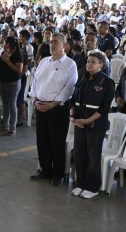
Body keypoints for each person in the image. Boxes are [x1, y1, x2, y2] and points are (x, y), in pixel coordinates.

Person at [29, 33, 78, 186]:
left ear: (64, 45)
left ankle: (57, 174)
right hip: (41, 105)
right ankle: (45, 170)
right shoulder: (44, 61)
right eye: (50, 42)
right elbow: (35, 81)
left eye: (56, 42)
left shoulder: (70, 64)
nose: (52, 45)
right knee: (42, 141)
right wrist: (36, 99)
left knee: (57, 142)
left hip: (57, 108)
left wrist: (53, 104)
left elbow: (69, 88)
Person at [69, 51, 115, 199]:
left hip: (95, 125)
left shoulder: (107, 82)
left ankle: (92, 186)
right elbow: (73, 99)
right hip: (79, 123)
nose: (89, 64)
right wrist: (72, 116)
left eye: (93, 62)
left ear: (101, 65)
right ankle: (80, 184)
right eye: (88, 61)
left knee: (93, 156)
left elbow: (104, 108)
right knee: (79, 155)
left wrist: (88, 121)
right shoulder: (83, 78)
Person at [0, 36, 24, 135]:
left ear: (8, 44)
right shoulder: (4, 52)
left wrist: (7, 61)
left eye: (4, 42)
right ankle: (6, 124)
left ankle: (13, 127)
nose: (3, 43)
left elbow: (19, 70)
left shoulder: (18, 54)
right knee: (5, 105)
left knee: (12, 105)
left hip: (12, 83)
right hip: (3, 81)